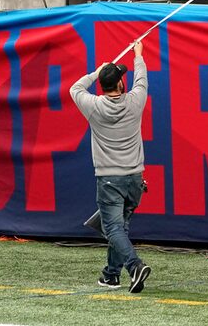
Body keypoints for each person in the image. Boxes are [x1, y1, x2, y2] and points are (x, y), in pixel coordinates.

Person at [69, 40, 151, 294]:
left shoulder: (92, 105)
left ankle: (134, 266)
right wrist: (138, 55)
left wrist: (97, 72)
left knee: (113, 229)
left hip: (108, 180)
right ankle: (111, 275)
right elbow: (141, 78)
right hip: (135, 179)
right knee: (120, 229)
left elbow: (75, 87)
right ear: (119, 84)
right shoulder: (135, 101)